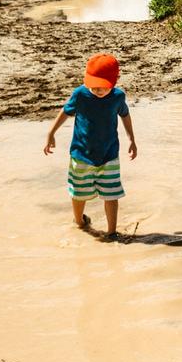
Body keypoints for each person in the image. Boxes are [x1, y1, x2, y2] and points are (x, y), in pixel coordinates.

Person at [43, 53, 137, 240]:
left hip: (109, 155)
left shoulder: (118, 97)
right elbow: (65, 111)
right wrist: (50, 133)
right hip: (81, 154)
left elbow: (125, 115)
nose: (97, 90)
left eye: (102, 86)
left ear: (114, 81)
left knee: (111, 194)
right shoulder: (80, 94)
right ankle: (79, 222)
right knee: (79, 192)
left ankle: (111, 232)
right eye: (93, 85)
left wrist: (131, 139)